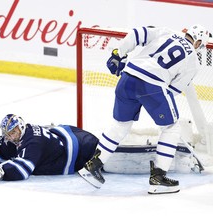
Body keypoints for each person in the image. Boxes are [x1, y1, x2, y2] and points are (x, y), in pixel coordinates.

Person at [78, 24, 210, 194]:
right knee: (171, 127)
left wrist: (119, 53)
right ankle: (158, 178)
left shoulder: (168, 30)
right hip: (152, 87)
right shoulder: (193, 61)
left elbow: (136, 33)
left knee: (121, 124)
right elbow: (173, 91)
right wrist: (151, 99)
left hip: (127, 77)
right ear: (198, 42)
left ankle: (93, 166)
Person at [0, 114, 99, 184]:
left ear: (21, 126)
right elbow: (0, 146)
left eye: (14, 131)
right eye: (8, 133)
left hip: (82, 151)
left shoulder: (33, 143)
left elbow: (23, 170)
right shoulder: (20, 133)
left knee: (105, 153)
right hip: (68, 133)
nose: (11, 135)